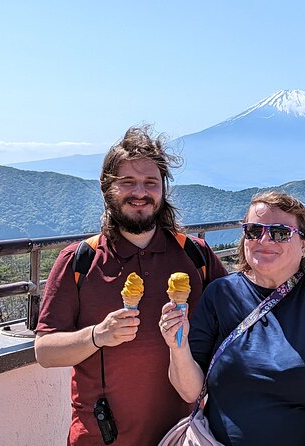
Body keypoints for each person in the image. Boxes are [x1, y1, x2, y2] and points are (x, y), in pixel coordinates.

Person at [34, 125, 227, 445]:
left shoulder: (195, 257)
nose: (140, 191)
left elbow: (237, 327)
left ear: (163, 189)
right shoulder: (80, 261)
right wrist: (99, 335)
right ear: (106, 188)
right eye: (128, 182)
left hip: (182, 436)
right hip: (100, 437)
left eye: (151, 182)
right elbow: (45, 352)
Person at [159, 191, 305, 446]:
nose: (265, 239)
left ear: (303, 243)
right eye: (254, 231)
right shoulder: (220, 294)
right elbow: (189, 390)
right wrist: (177, 347)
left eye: (280, 233)